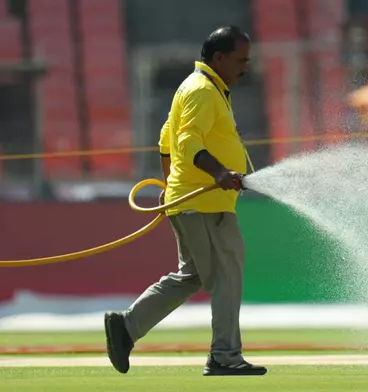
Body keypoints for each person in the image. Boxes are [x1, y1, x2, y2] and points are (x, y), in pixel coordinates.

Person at [103, 26, 267, 376]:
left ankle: (127, 327)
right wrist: (219, 173)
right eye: (240, 60)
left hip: (194, 201)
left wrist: (170, 183)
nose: (245, 67)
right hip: (205, 204)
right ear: (219, 58)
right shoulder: (203, 91)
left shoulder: (201, 88)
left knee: (193, 275)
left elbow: (167, 138)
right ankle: (225, 355)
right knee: (227, 274)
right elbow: (189, 142)